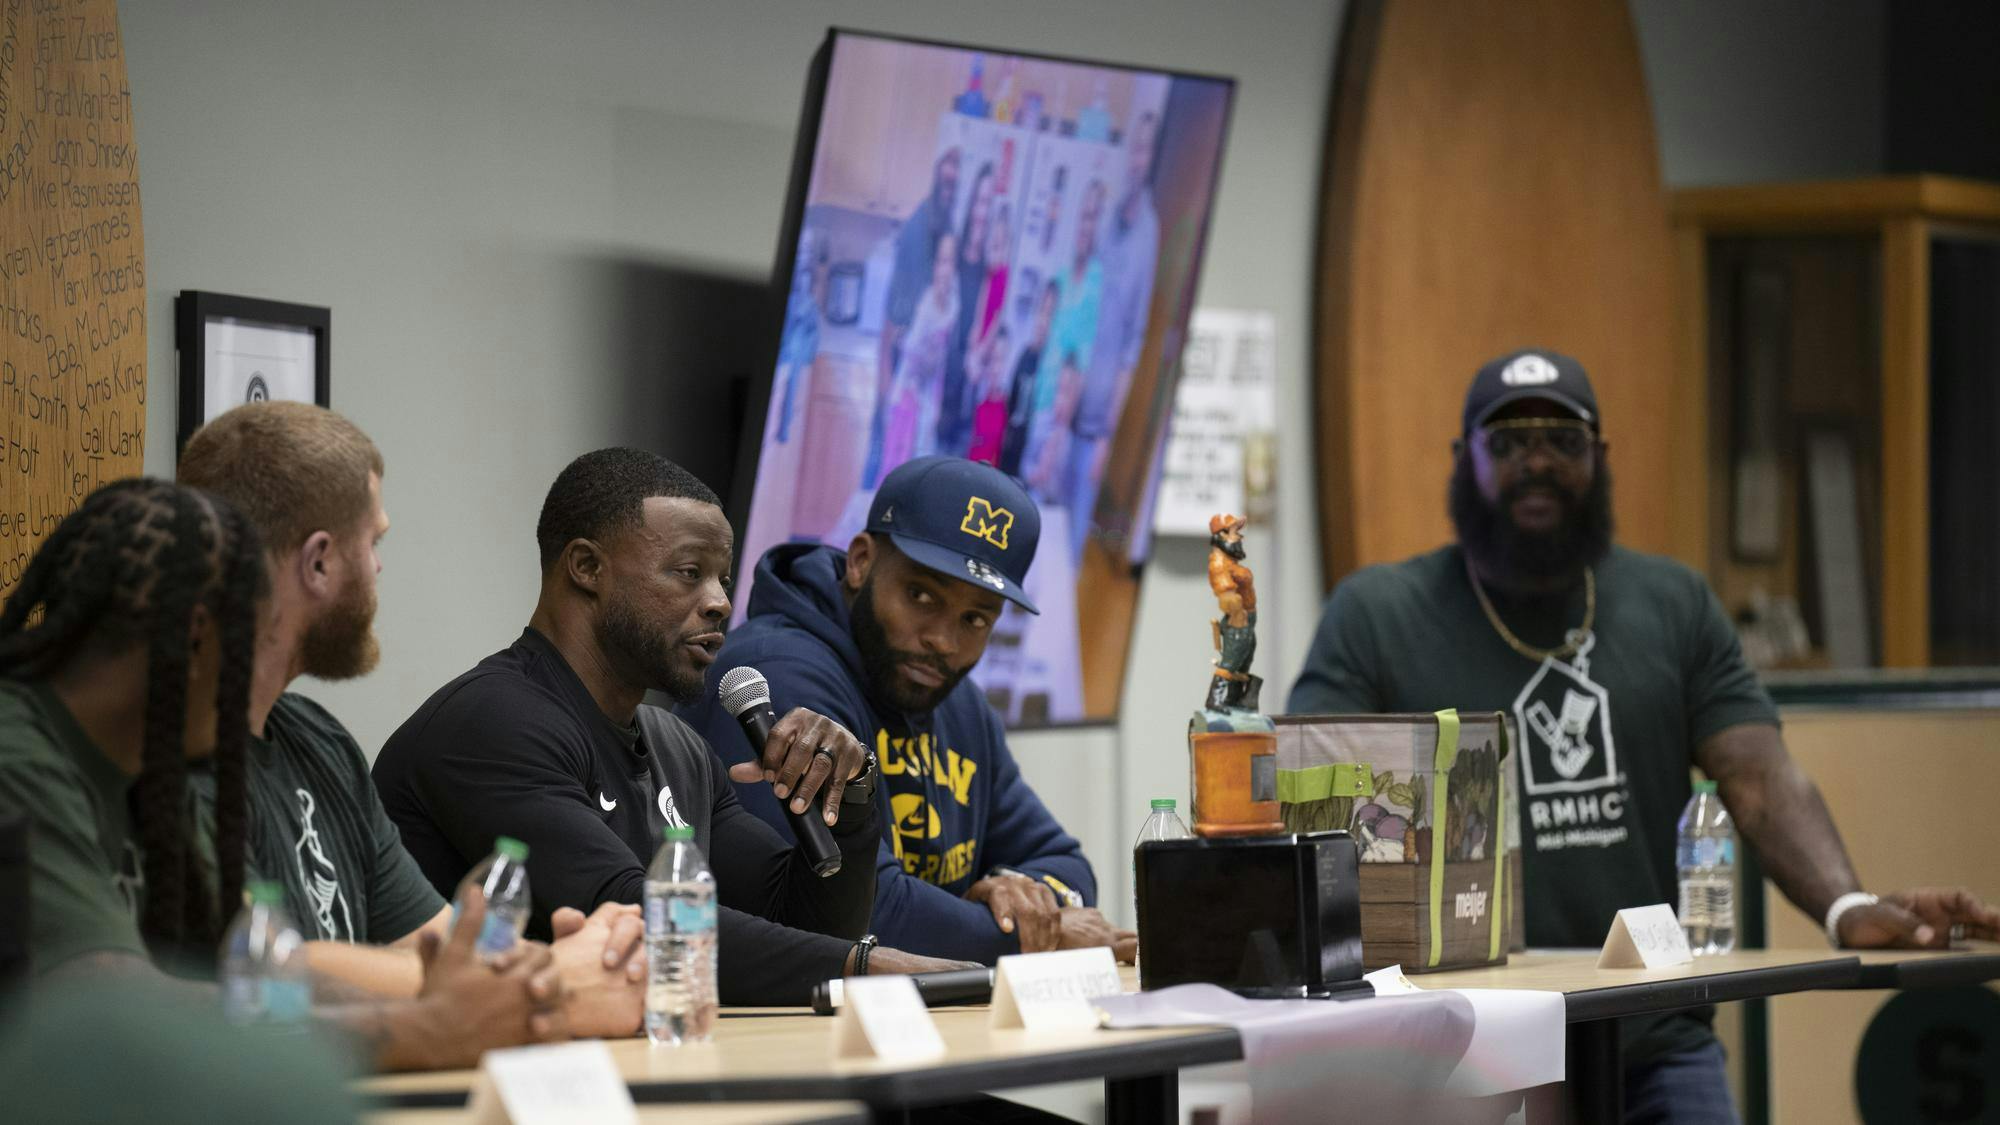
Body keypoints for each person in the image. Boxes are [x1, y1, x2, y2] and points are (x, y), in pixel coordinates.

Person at [1288, 348, 2000, 1122]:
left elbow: (1760, 780)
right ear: (1465, 458)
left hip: (1654, 1033)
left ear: (1600, 456)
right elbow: (1311, 796)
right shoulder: (1378, 614)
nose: (1538, 461)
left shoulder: (1672, 603)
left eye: (1563, 440)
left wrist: (1847, 904)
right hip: (1468, 1046)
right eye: (1510, 441)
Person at [0, 479, 564, 1070]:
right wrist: (422, 1030)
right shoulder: (18, 758)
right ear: (195, 637)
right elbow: (113, 1007)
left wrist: (448, 1005)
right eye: (251, 643)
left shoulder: (158, 780)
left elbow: (265, 980)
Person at [372, 448, 969, 1005]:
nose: (720, 603)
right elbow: (632, 920)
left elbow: (802, 921)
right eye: (689, 572)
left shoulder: (677, 747)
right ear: (586, 567)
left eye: (723, 579)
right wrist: (865, 967)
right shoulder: (491, 723)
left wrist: (852, 795)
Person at [177, 402, 646, 1036]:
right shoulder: (169, 761)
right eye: (373, 543)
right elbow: (266, 970)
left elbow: (439, 945)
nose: (378, 567)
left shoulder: (320, 742)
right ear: (318, 563)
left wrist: (566, 962)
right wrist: (552, 977)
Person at [681, 456, 1135, 965]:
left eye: (975, 619)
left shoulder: (957, 701)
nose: (943, 640)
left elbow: (1065, 863)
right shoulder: (778, 677)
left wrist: (1018, 894)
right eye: (922, 596)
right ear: (861, 562)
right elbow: (853, 910)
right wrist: (1028, 936)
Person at [1066, 111, 1161, 561]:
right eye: (1134, 148)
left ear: (1153, 158)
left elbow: (1133, 343)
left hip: (1095, 422)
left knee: (1072, 538)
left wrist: (1108, 433)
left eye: (1146, 150)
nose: (1138, 159)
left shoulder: (1149, 234)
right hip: (1062, 403)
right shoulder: (1102, 212)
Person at [867, 147, 961, 488]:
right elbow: (893, 312)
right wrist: (886, 381)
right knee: (883, 473)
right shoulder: (918, 229)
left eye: (957, 171)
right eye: (948, 167)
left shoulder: (946, 229)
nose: (952, 177)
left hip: (921, 393)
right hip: (899, 378)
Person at [1025, 180, 1106, 495]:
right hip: (1036, 402)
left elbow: (1083, 363)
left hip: (1059, 416)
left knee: (1042, 495)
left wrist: (1060, 429)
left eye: (1093, 218)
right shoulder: (1060, 274)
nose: (1085, 226)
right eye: (1083, 216)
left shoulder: (1097, 282)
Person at [881, 232, 960, 472]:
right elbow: (911, 355)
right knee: (897, 463)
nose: (945, 270)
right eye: (941, 261)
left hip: (929, 395)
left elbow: (940, 361)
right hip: (908, 392)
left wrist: (935, 400)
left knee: (921, 464)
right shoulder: (924, 303)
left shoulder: (953, 305)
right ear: (933, 265)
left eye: (950, 262)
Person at [940, 162, 997, 453]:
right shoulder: (954, 251)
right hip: (941, 384)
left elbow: (996, 318)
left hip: (971, 390)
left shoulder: (992, 265)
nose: (981, 212)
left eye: (988, 204)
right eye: (978, 201)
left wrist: (981, 352)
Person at [1000, 280, 1060, 476]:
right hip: (1009, 450)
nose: (1043, 321)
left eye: (1050, 313)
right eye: (1042, 310)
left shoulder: (1053, 368)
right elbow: (1010, 400)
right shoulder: (1024, 354)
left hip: (1031, 462)